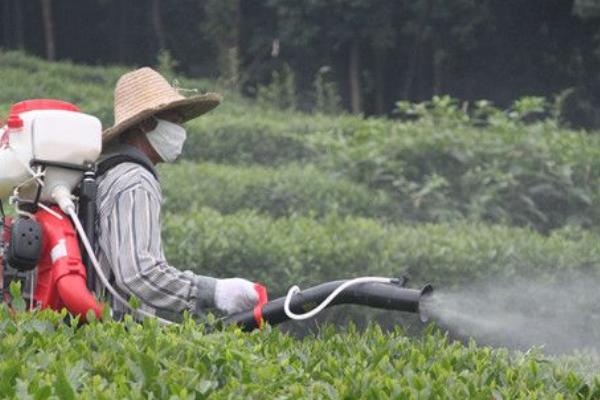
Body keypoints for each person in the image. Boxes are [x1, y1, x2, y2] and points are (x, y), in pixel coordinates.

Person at [95, 67, 258, 318]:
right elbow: (138, 273)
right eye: (176, 121)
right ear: (147, 124)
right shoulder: (135, 180)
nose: (180, 131)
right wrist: (214, 291)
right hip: (107, 332)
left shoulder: (110, 174)